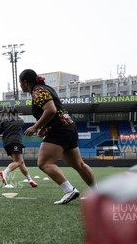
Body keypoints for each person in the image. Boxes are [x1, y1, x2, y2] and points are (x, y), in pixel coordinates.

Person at [20, 69, 96, 204]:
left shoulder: (37, 91)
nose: (21, 87)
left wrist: (35, 126)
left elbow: (51, 110)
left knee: (44, 163)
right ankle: (97, 193)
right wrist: (44, 127)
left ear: (26, 82)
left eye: (21, 83)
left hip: (59, 129)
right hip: (69, 127)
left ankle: (69, 190)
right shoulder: (45, 88)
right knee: (78, 164)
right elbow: (54, 111)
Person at [0, 112, 38, 188]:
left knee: (21, 162)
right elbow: (21, 126)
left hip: (6, 143)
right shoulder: (20, 120)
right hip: (16, 141)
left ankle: (30, 180)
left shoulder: (4, 121)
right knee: (18, 161)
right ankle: (4, 173)